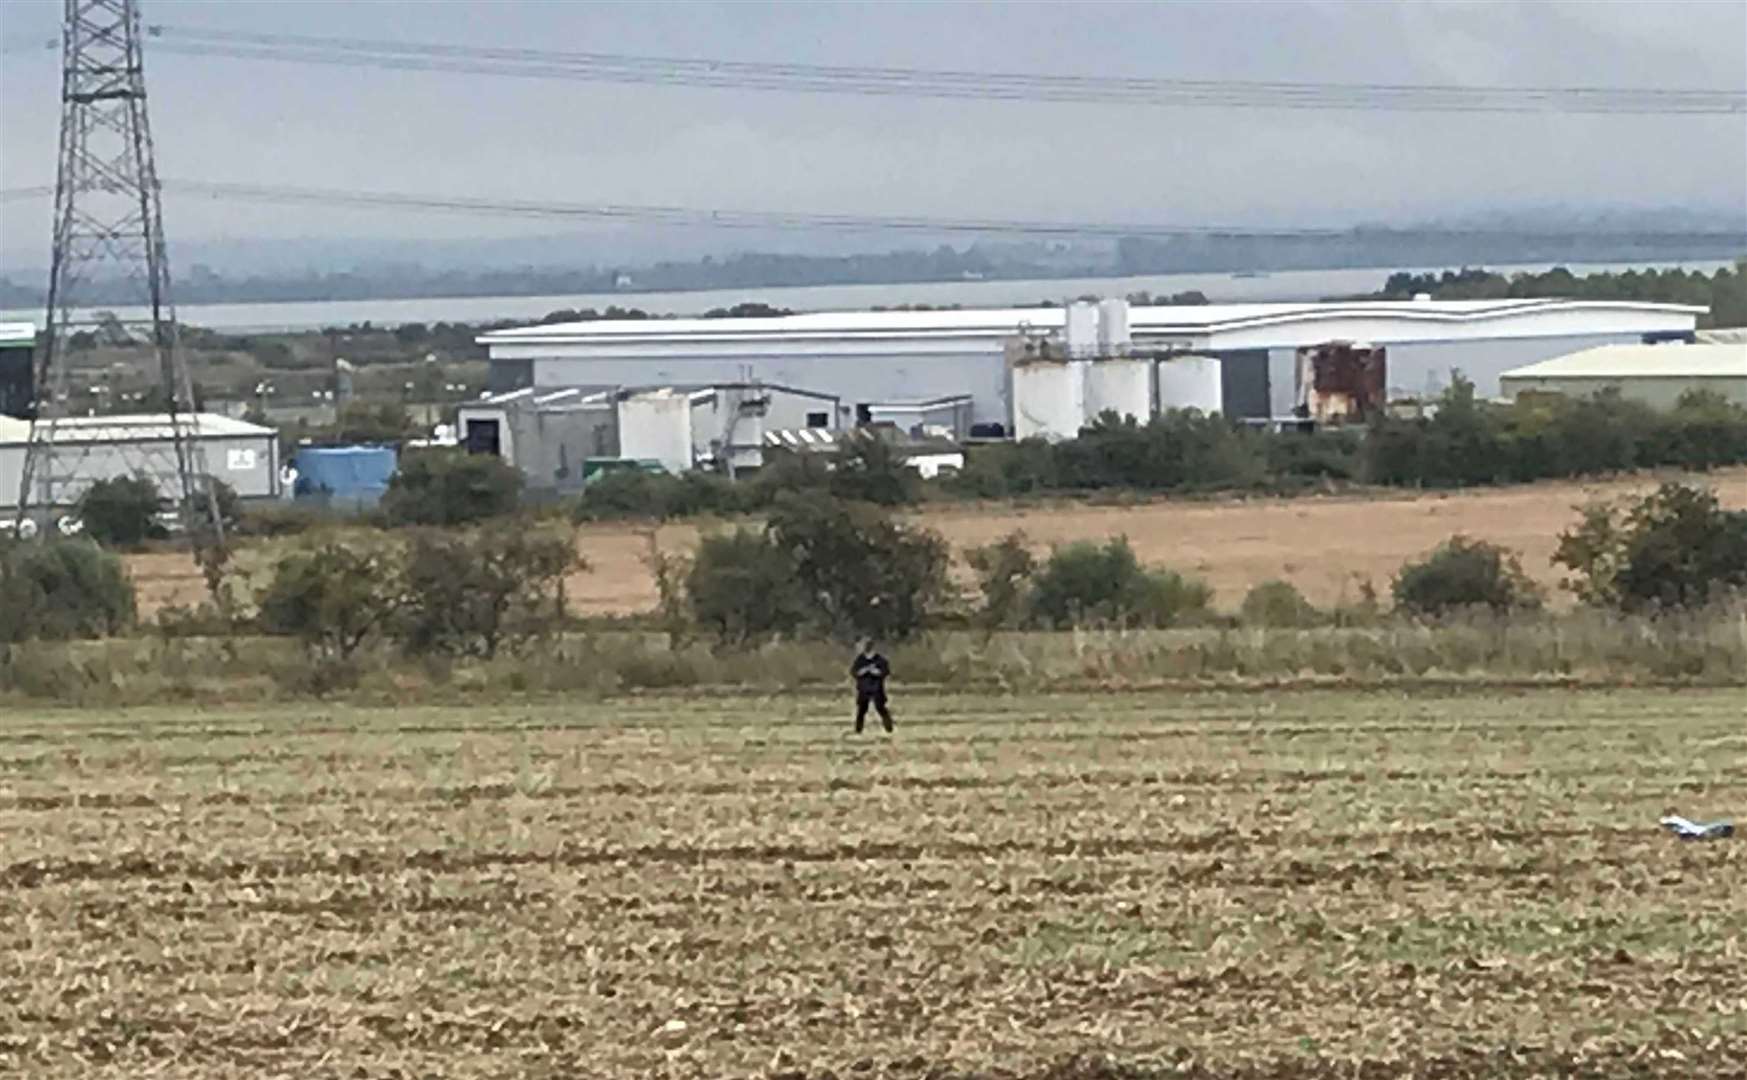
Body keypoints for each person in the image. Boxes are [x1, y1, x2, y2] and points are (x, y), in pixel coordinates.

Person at [850, 638, 894, 734]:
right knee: (862, 710)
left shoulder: (880, 659)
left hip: (876, 688)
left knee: (880, 708)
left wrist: (877, 672)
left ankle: (889, 728)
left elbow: (886, 671)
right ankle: (858, 730)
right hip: (863, 688)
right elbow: (854, 672)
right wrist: (862, 672)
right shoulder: (860, 660)